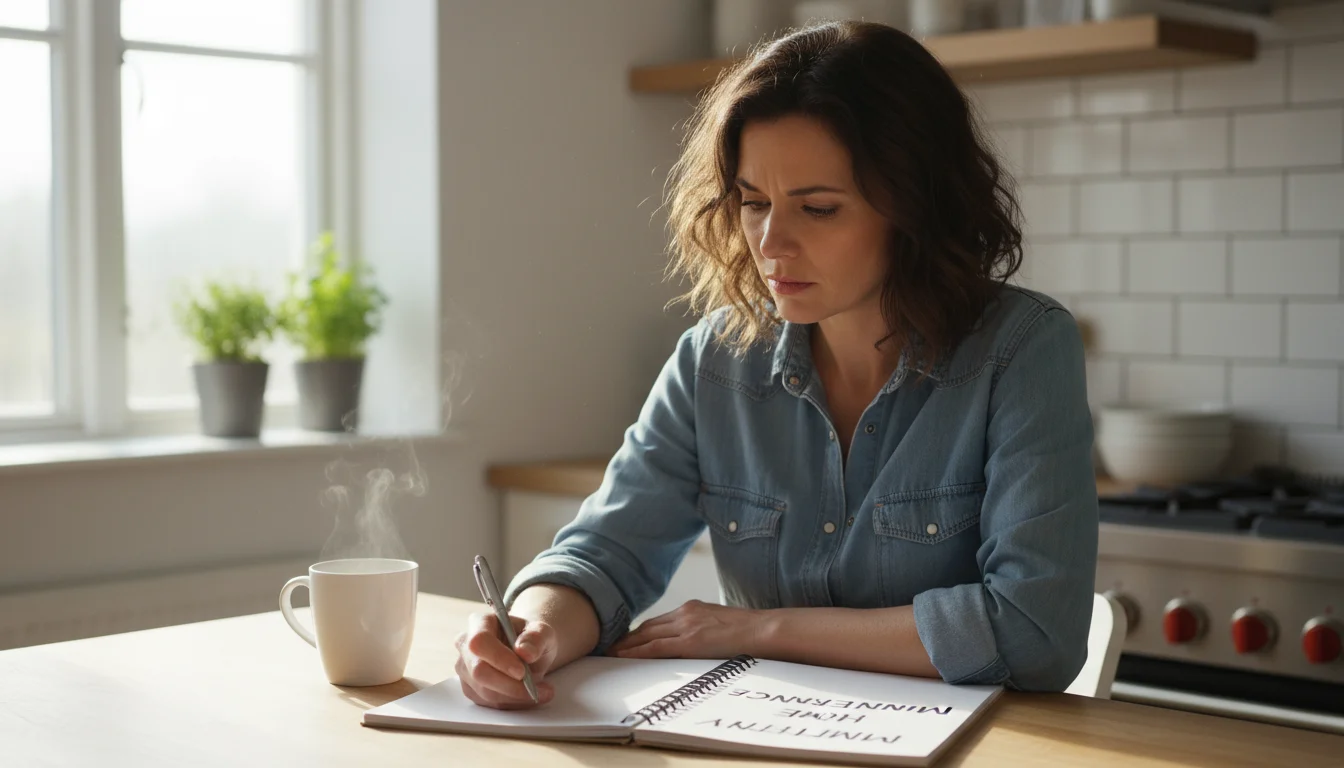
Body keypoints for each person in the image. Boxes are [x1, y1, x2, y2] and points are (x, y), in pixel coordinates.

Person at [455, 20, 1098, 710]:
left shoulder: (1023, 349)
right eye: (753, 203)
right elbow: (601, 558)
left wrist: (760, 629)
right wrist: (533, 631)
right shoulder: (715, 361)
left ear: (916, 209)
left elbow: (1036, 633)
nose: (769, 242)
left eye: (817, 208)